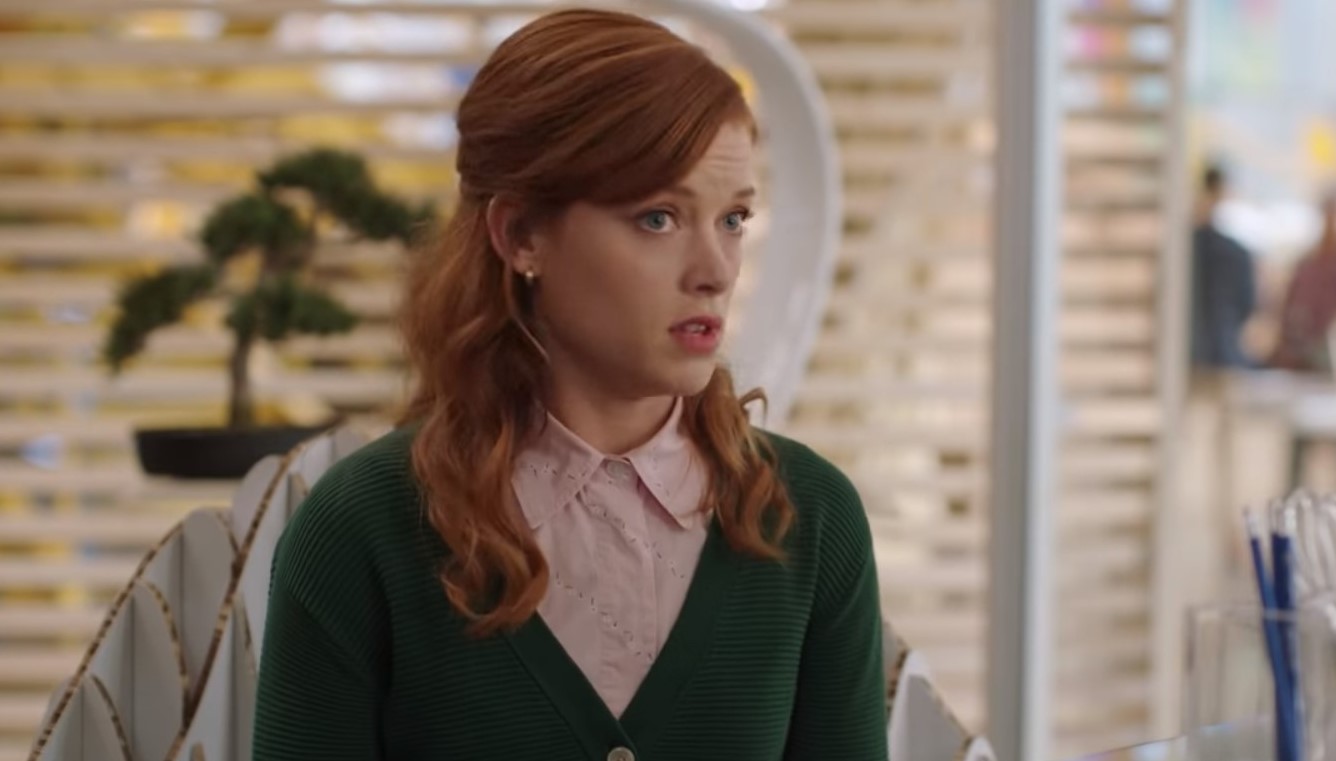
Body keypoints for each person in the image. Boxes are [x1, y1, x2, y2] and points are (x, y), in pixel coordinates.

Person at [252, 9, 888, 761]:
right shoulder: (361, 530)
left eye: (733, 219)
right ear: (521, 235)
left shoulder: (808, 519)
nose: (715, 271)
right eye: (658, 218)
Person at [1267, 189, 1336, 375]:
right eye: (1328, 214)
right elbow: (1289, 303)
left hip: (1328, 355)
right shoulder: (1309, 259)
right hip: (1298, 352)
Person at [1189, 164, 1258, 369]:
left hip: (1195, 350)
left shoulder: (1189, 247)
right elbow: (1247, 304)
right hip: (1223, 350)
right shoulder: (1234, 251)